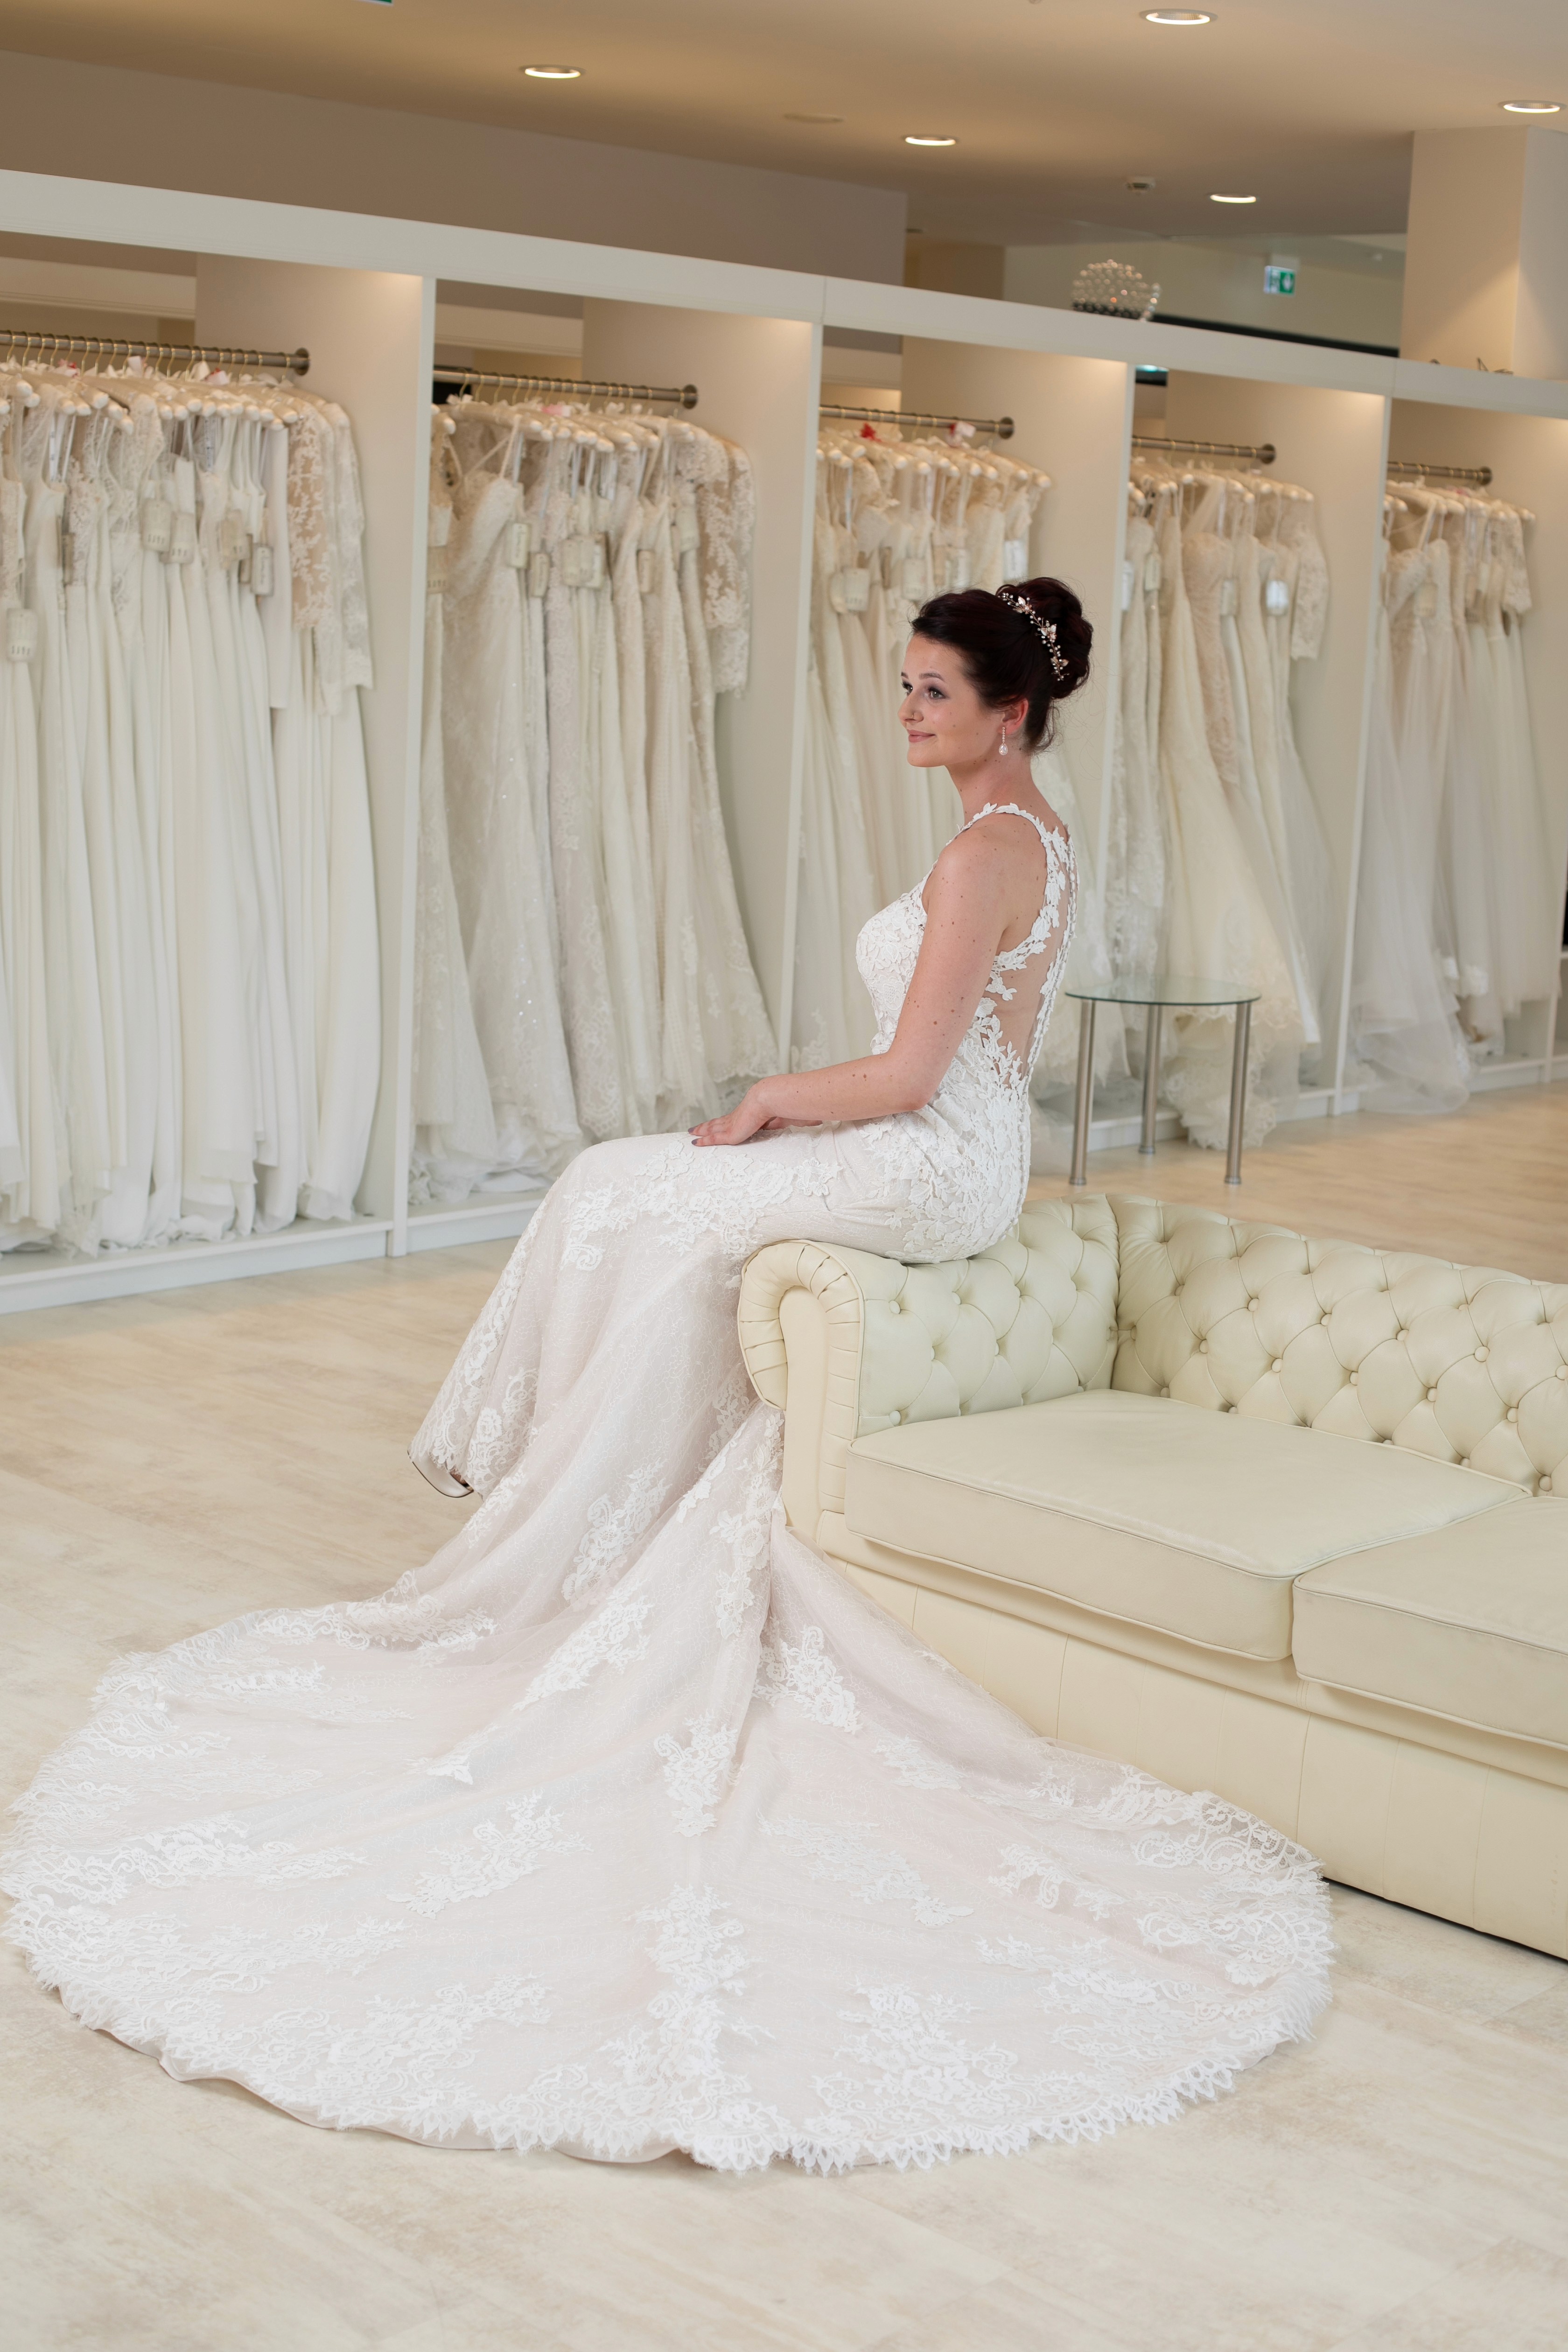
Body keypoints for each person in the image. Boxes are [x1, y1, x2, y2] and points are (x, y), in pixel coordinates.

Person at [4, 581, 1330, 2175]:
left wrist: (773, 1095)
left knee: (626, 1190)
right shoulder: (1022, 829)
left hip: (931, 1158)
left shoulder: (990, 850)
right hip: (950, 1149)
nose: (903, 711)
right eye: (899, 685)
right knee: (623, 1195)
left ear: (1010, 710)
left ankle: (530, 1483)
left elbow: (914, 1072)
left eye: (930, 692)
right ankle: (545, 1472)